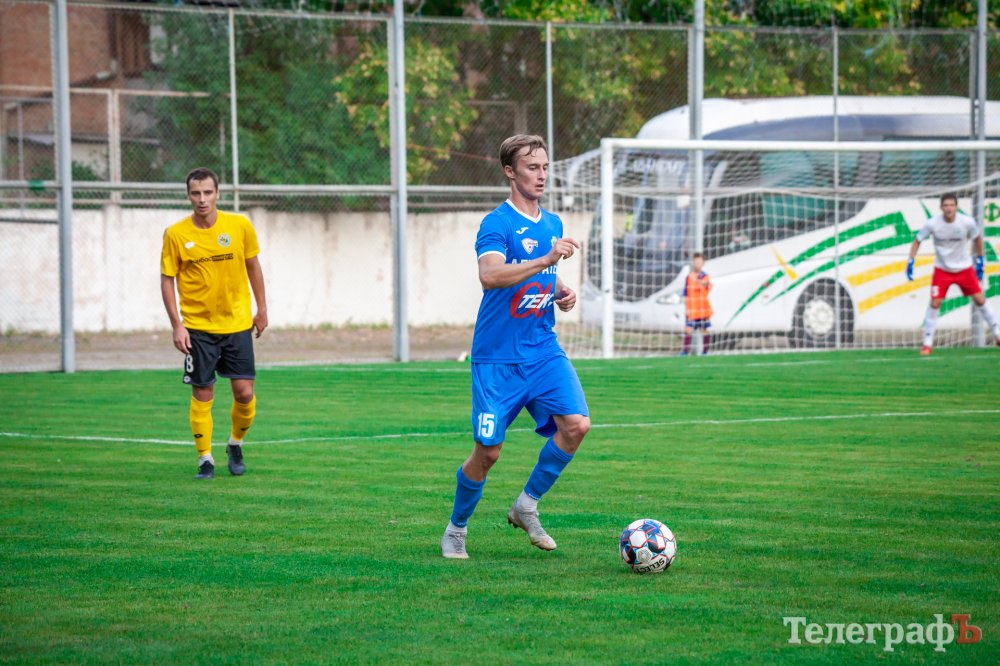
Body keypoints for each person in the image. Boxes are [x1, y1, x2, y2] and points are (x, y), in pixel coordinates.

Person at [441, 135, 590, 559]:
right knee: (488, 453)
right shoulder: (497, 223)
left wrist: (559, 289)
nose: (541, 175)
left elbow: (538, 276)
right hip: (497, 360)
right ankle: (456, 529)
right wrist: (545, 261)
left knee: (576, 425)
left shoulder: (552, 223)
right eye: (532, 168)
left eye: (545, 167)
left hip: (542, 350)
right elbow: (490, 276)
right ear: (510, 171)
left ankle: (526, 505)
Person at [160, 167, 268, 479]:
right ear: (188, 196)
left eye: (208, 192)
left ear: (217, 193)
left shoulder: (239, 225)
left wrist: (262, 309)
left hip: (237, 323)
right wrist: (177, 324)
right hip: (198, 328)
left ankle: (235, 443)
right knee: (202, 393)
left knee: (244, 393)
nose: (202, 199)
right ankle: (205, 458)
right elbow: (167, 279)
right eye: (196, 193)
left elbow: (253, 266)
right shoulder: (176, 234)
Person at [906, 192, 1000, 355]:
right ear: (941, 207)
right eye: (946, 205)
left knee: (980, 299)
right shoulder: (932, 224)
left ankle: (998, 334)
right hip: (942, 270)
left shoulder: (967, 222)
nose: (949, 208)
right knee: (935, 303)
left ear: (956, 207)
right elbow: (917, 240)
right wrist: (910, 261)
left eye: (951, 205)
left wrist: (980, 260)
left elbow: (977, 239)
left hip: (964, 269)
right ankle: (927, 343)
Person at [681, 252, 712, 356]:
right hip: (692, 309)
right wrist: (686, 308)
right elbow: (686, 293)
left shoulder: (705, 276)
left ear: (703, 263)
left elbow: (706, 283)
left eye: (699, 262)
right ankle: (685, 352)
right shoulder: (689, 277)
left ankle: (705, 352)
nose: (697, 264)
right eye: (696, 262)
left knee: (704, 330)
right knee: (688, 329)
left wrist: (697, 280)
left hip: (703, 309)